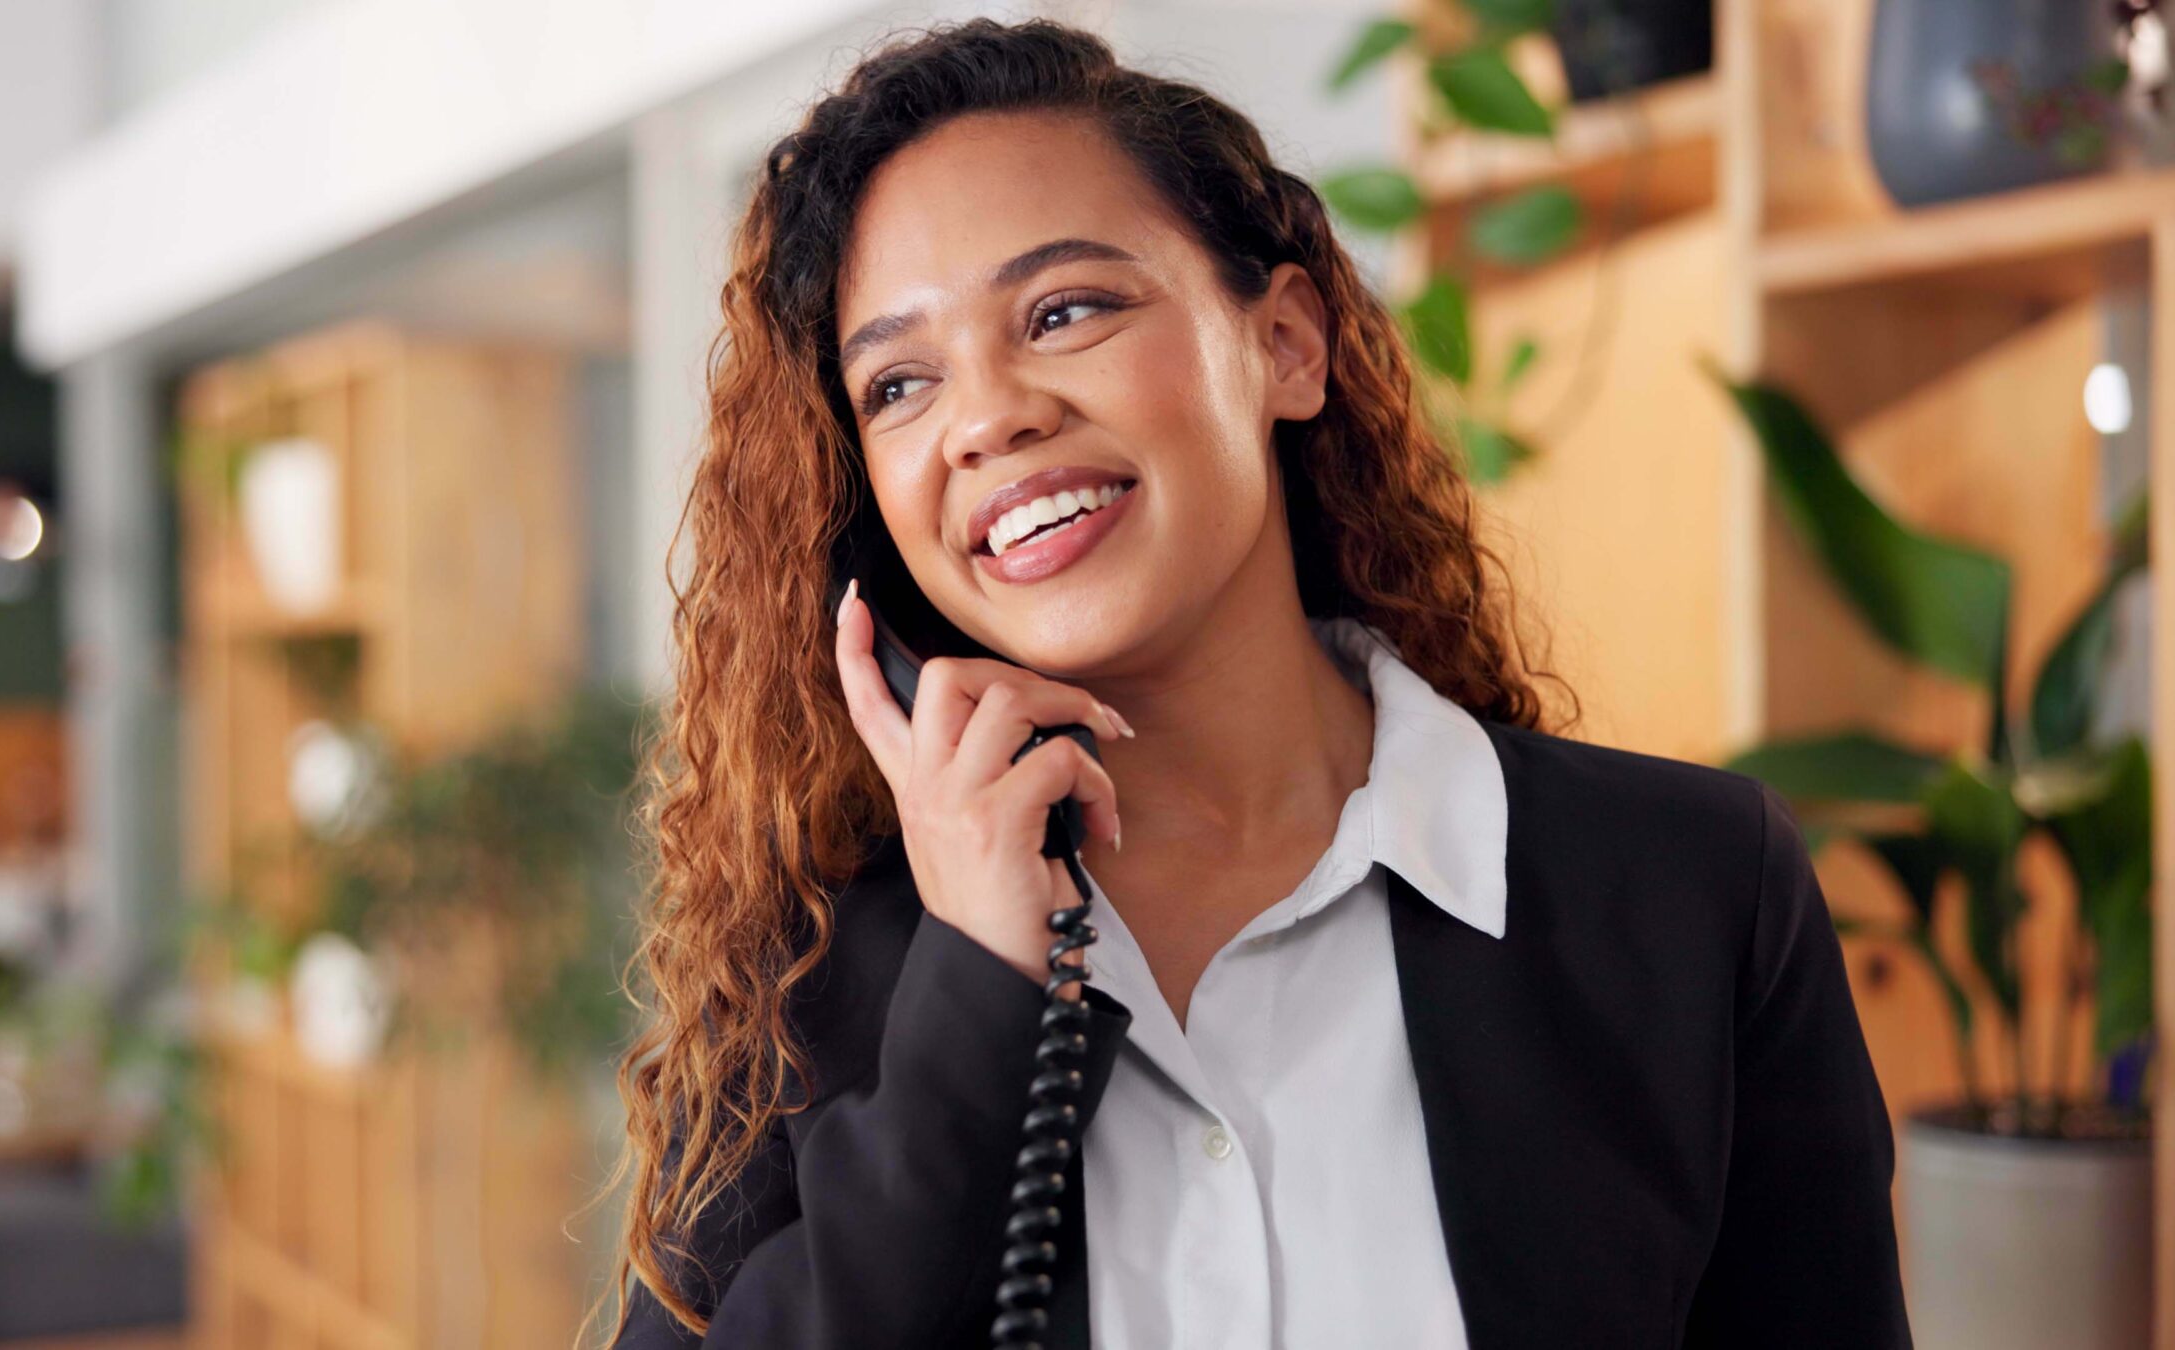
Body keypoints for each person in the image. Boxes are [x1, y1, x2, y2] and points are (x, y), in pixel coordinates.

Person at [594, 16, 1911, 1349]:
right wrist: (982, 1001)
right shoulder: (823, 975)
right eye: (899, 383)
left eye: (1065, 310)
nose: (986, 417)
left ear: (1287, 343)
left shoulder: (1693, 892)